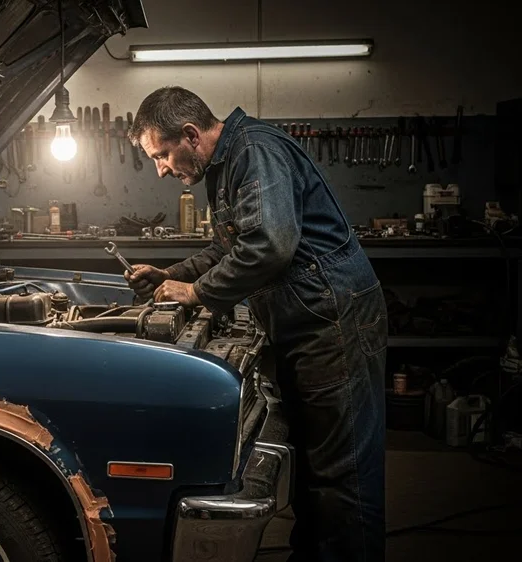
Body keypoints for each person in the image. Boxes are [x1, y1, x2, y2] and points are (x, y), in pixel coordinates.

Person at [125, 86, 388, 562]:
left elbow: (269, 246)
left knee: (342, 471)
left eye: (162, 155)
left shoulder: (255, 151)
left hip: (333, 321)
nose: (161, 169)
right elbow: (231, 246)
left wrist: (198, 293)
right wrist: (173, 275)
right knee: (313, 463)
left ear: (189, 135)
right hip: (304, 322)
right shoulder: (224, 166)